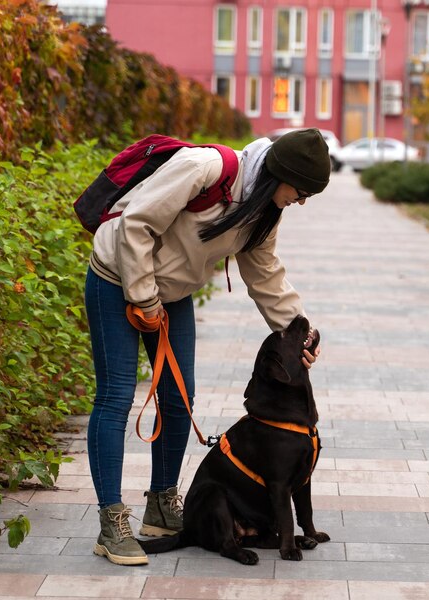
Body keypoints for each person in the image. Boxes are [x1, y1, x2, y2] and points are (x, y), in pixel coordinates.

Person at [85, 128, 330, 565]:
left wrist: (300, 332)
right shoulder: (205, 170)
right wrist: (143, 298)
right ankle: (111, 520)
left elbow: (265, 274)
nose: (302, 201)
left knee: (180, 398)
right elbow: (136, 224)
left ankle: (161, 504)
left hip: (171, 294)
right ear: (279, 174)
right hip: (116, 276)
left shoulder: (262, 211)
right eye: (301, 190)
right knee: (117, 396)